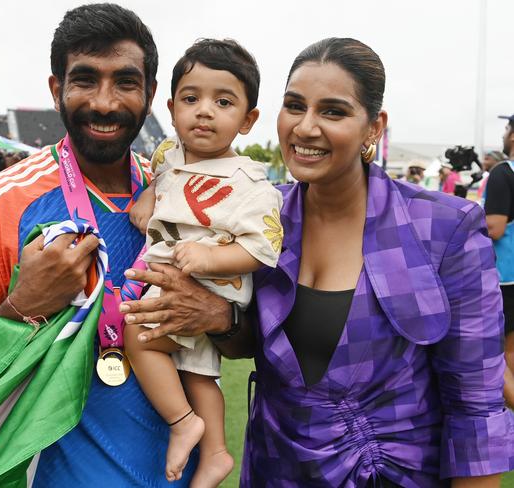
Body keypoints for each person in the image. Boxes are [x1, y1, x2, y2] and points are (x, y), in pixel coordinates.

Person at [122, 37, 514, 486]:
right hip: (275, 468)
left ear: (373, 126)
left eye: (333, 111)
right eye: (294, 106)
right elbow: (247, 346)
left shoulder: (444, 228)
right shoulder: (261, 217)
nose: (306, 127)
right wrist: (219, 317)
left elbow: (477, 410)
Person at [0, 4, 201, 486]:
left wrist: (219, 316)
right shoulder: (2, 200)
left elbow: (237, 335)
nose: (103, 102)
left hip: (179, 472)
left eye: (125, 81)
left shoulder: (176, 194)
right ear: (57, 90)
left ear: (151, 94)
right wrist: (20, 308)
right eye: (85, 80)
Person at [126, 39, 282, 486]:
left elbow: (260, 251)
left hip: (210, 283)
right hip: (176, 274)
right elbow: (167, 176)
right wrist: (150, 195)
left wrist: (212, 257)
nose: (204, 111)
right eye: (191, 99)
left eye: (223, 101)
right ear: (172, 108)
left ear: (248, 119)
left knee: (139, 336)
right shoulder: (168, 156)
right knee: (197, 373)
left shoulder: (251, 184)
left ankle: (182, 423)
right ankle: (215, 453)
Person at [484, 114, 514, 407]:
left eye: (506, 128)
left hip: (507, 275)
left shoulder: (503, 172)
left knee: (501, 355)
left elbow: (495, 227)